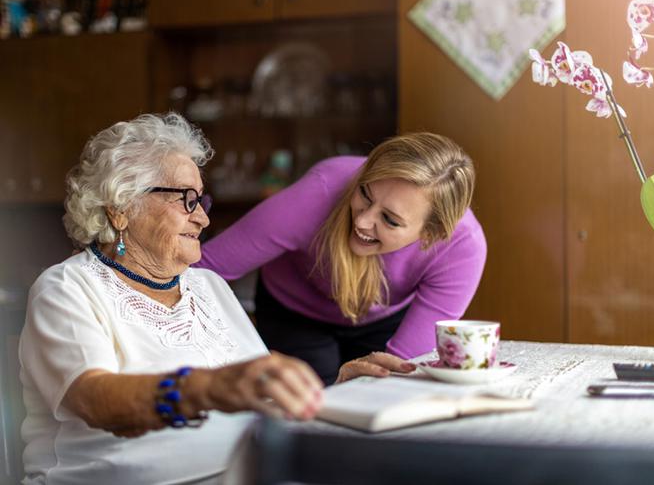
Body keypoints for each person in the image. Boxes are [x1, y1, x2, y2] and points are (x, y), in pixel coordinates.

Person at [18, 113, 412, 485]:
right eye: (186, 200)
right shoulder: (68, 289)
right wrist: (208, 388)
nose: (203, 219)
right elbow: (96, 400)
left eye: (201, 202)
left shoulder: (208, 286)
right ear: (121, 209)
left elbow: (260, 398)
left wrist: (336, 391)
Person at [196, 132, 487, 385]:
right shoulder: (320, 191)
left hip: (384, 319)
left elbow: (401, 369)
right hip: (294, 311)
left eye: (389, 220)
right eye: (365, 194)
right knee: (306, 411)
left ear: (431, 234)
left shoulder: (462, 248)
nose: (363, 221)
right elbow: (201, 268)